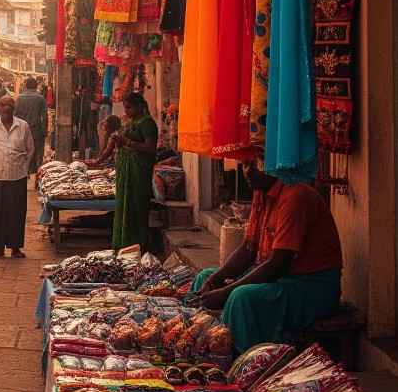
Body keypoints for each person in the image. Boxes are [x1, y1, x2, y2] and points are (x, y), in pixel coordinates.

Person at [192, 162, 344, 352]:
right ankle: (195, 346)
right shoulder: (261, 193)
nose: (247, 170)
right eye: (246, 164)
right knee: (204, 276)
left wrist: (226, 292)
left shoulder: (296, 195)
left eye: (256, 164)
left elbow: (278, 264)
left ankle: (241, 361)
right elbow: (248, 249)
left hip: (310, 288)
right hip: (280, 279)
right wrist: (216, 279)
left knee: (241, 297)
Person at [106, 93, 159, 252]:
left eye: (129, 107)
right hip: (126, 172)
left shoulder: (148, 124)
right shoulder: (131, 122)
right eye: (125, 107)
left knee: (137, 207)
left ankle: (137, 244)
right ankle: (123, 244)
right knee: (124, 207)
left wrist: (127, 142)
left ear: (139, 106)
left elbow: (150, 148)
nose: (126, 111)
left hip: (138, 173)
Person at [0, 95, 34, 258]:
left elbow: (30, 149)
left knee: (16, 211)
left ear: (14, 109)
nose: (5, 108)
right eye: (2, 105)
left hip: (17, 175)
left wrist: (24, 167)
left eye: (9, 106)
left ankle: (15, 248)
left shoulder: (23, 126)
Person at [14, 77, 49, 186]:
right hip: (37, 131)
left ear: (25, 86)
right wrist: (45, 130)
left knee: (23, 155)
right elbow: (44, 116)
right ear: (36, 86)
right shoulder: (40, 98)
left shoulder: (19, 98)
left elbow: (15, 115)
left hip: (22, 131)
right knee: (38, 156)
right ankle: (37, 181)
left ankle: (24, 177)